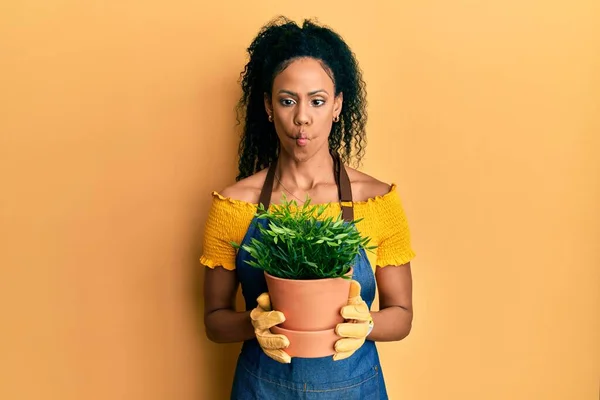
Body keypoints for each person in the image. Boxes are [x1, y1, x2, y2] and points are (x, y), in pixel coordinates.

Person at [201, 16, 415, 399]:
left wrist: (365, 325)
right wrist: (255, 324)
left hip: (355, 389)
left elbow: (401, 314)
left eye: (317, 101)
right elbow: (215, 322)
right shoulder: (235, 205)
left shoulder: (377, 200)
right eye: (287, 101)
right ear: (268, 106)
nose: (302, 117)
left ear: (336, 106)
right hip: (261, 388)